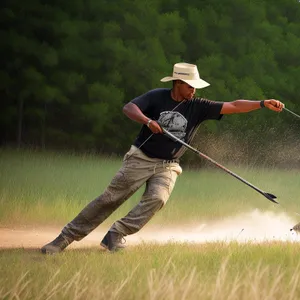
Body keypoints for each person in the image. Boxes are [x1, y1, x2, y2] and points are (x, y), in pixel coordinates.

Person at [41, 62, 284, 254]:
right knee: (109, 198)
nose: (194, 90)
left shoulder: (198, 105)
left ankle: (116, 234)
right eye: (190, 86)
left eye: (195, 86)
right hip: (141, 158)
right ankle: (63, 239)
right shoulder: (156, 96)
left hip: (168, 165)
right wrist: (148, 121)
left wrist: (262, 103)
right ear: (177, 82)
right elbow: (129, 108)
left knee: (157, 199)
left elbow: (233, 105)